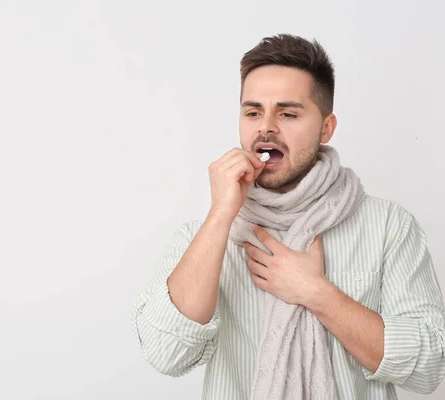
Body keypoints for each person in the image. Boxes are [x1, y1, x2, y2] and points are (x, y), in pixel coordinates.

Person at [130, 34, 445, 399]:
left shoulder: (389, 226)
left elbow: (429, 368)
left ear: (326, 128)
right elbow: (165, 353)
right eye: (252, 112)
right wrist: (220, 215)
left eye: (288, 113)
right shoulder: (203, 236)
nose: (266, 127)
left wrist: (316, 293)